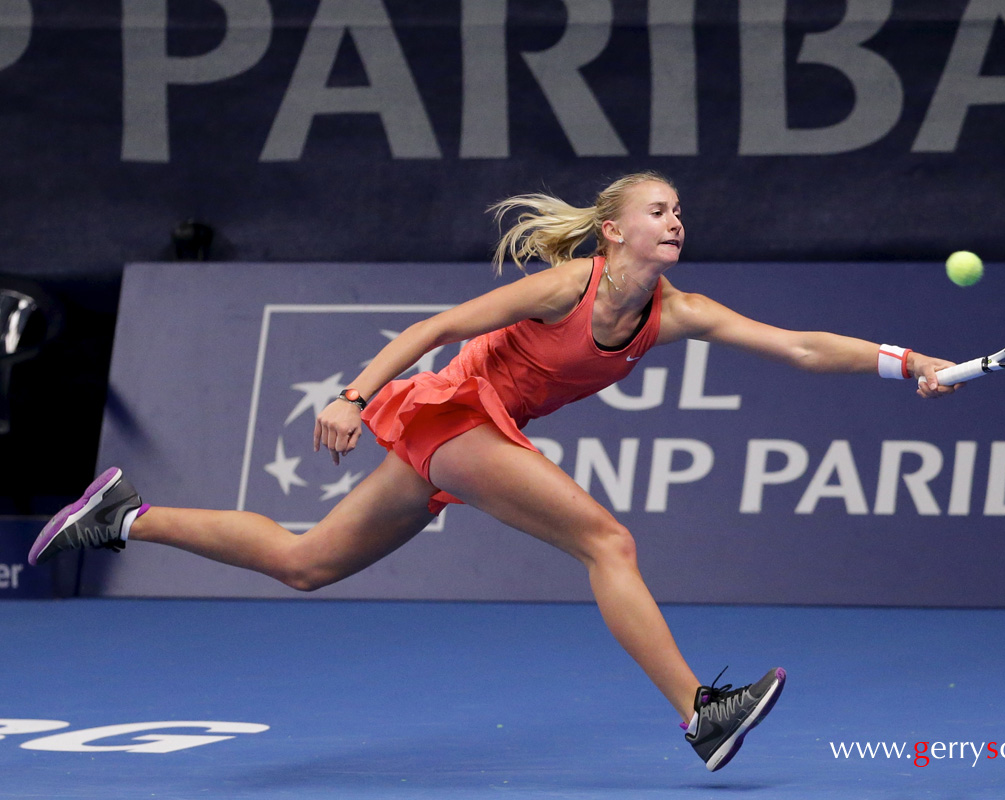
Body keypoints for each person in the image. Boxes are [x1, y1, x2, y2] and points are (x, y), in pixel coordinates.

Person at [29, 171, 957, 771]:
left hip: (473, 434)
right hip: (453, 411)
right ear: (614, 229)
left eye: (680, 210)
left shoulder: (677, 310)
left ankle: (122, 517)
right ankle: (701, 711)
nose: (678, 219)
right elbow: (438, 329)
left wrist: (902, 360)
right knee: (608, 539)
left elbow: (796, 348)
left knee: (305, 562)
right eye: (660, 209)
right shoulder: (565, 286)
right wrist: (353, 396)